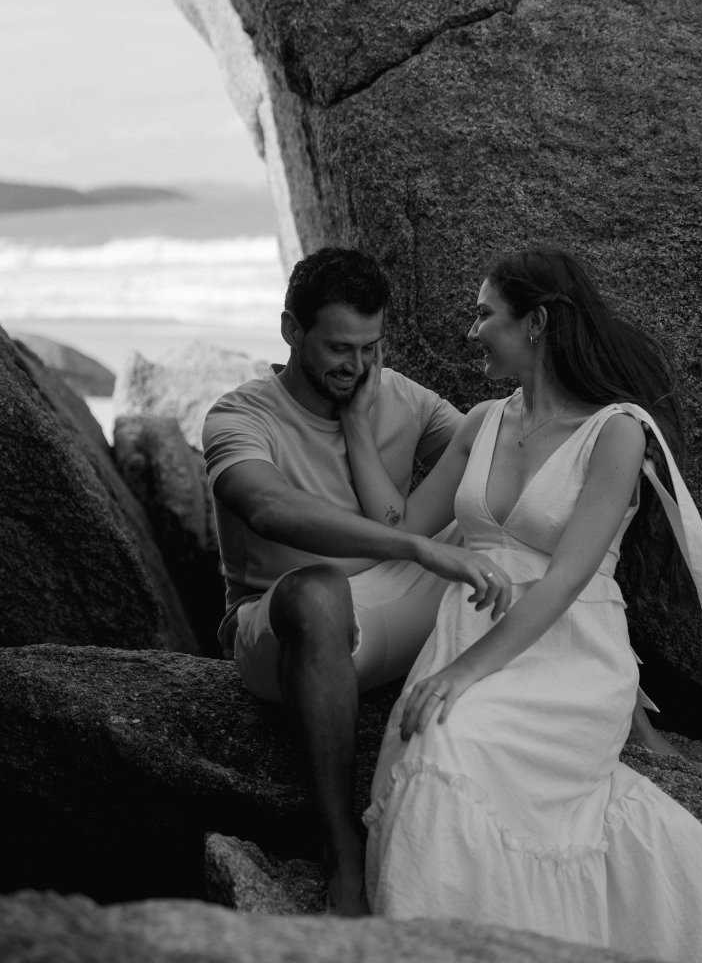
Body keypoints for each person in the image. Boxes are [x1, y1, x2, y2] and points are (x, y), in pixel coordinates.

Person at [339, 247, 702, 959]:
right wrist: (354, 422)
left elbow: (565, 581)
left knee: (457, 738)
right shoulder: (481, 422)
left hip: (568, 652)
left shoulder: (616, 431)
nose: (471, 331)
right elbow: (403, 527)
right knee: (440, 742)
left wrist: (463, 674)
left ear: (534, 323)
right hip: (466, 629)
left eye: (484, 315)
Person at [202, 247, 513, 915]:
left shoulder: (400, 397)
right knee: (319, 590)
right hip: (287, 629)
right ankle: (341, 848)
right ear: (291, 329)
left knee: (506, 524)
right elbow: (267, 507)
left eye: (371, 348)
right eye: (339, 348)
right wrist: (413, 544)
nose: (358, 366)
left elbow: (501, 471)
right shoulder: (239, 416)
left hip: (396, 603)